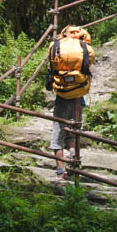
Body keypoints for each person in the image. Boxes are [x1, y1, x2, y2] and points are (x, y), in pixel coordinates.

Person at [46, 25, 94, 181]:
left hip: (62, 96)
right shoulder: (84, 49)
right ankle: (73, 156)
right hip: (78, 96)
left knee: (57, 134)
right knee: (73, 130)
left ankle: (60, 171)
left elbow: (52, 69)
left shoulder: (58, 48)